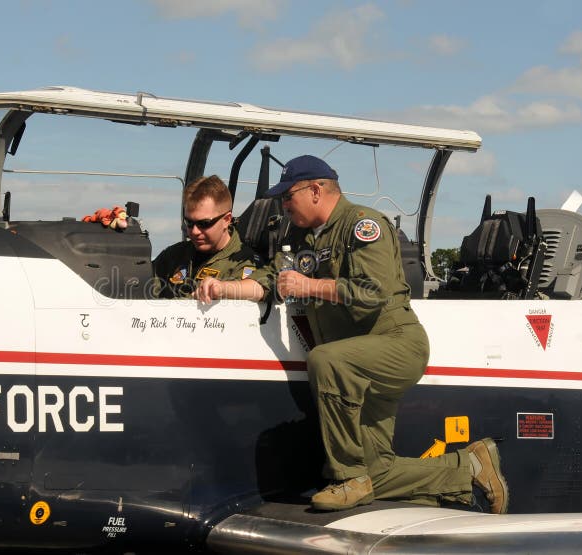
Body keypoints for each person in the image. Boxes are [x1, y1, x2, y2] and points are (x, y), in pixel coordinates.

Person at [195, 155, 509, 513]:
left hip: (394, 343)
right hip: (355, 363)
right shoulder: (300, 237)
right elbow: (272, 280)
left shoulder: (363, 225)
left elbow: (372, 291)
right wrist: (224, 289)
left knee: (326, 360)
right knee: (378, 473)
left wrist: (310, 286)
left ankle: (349, 476)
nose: (283, 205)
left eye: (288, 196)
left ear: (315, 191)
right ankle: (468, 469)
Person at [152, 175, 260, 299]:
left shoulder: (244, 265)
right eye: (189, 223)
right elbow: (137, 284)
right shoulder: (173, 256)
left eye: (204, 224)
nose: (194, 231)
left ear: (226, 220)